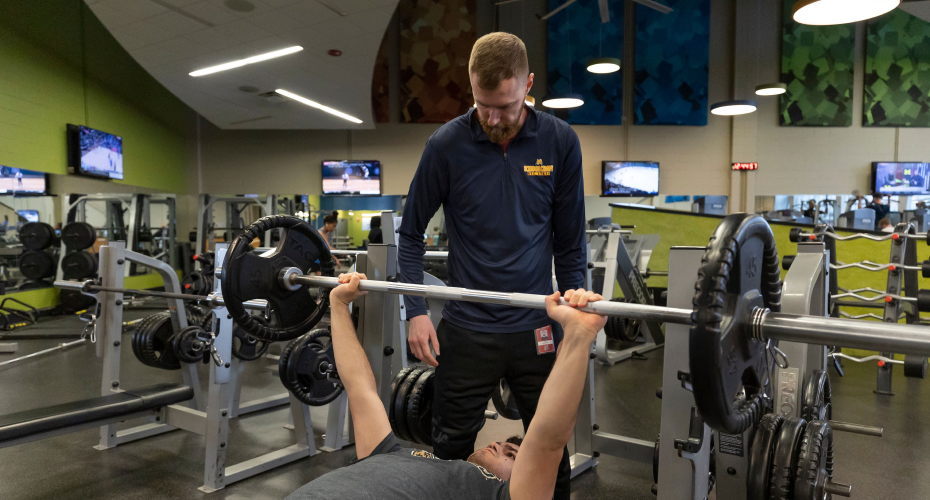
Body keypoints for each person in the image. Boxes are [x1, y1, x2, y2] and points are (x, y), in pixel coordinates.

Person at [397, 32, 586, 498]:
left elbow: (570, 240)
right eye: (483, 105)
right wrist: (416, 309)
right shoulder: (446, 144)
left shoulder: (560, 142)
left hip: (536, 328)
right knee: (448, 451)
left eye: (504, 105)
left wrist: (576, 309)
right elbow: (410, 233)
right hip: (466, 327)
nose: (493, 118)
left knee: (550, 452)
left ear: (528, 85)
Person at [285, 273, 607, 500]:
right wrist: (338, 305)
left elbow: (548, 439)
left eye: (511, 454)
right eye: (506, 446)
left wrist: (578, 336)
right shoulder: (385, 452)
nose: (497, 445)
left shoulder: (499, 496)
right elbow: (360, 388)